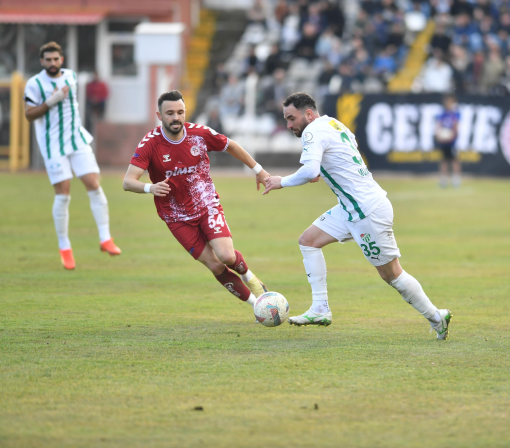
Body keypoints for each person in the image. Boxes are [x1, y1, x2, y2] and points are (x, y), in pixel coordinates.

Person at [262, 93, 452, 339]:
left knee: (392, 275)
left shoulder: (312, 132)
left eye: (291, 118)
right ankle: (320, 308)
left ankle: (437, 317)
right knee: (308, 241)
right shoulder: (333, 123)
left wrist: (281, 182)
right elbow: (348, 147)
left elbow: (309, 171)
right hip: (350, 207)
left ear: (308, 114)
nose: (289, 125)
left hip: (365, 210)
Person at [122, 91, 270, 317]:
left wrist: (259, 171)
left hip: (206, 205)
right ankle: (257, 305)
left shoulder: (199, 134)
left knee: (227, 257)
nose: (176, 117)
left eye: (180, 112)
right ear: (159, 115)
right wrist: (150, 188)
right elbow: (128, 182)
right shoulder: (150, 143)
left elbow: (231, 145)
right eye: (170, 113)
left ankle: (250, 277)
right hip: (176, 217)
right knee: (215, 265)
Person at [24, 41, 120, 270]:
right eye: (48, 60)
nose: (52, 63)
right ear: (42, 62)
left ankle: (106, 238)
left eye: (56, 59)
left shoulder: (71, 76)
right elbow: (29, 115)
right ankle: (65, 247)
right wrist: (50, 101)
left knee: (94, 184)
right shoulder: (35, 83)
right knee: (63, 194)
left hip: (76, 140)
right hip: (53, 146)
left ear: (62, 60)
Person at [435, 94, 462, 188]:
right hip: (444, 141)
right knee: (444, 160)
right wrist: (438, 136)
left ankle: (456, 180)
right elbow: (438, 126)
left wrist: (452, 137)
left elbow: (456, 127)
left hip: (452, 141)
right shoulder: (442, 114)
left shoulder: (455, 114)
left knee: (454, 160)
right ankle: (443, 180)